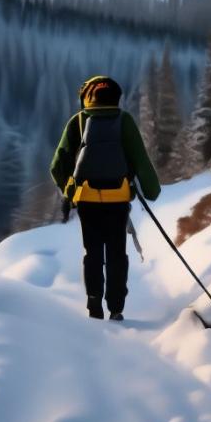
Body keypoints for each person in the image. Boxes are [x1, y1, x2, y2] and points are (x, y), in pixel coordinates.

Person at [50, 75, 161, 320]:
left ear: (86, 98)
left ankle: (94, 305)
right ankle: (116, 307)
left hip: (88, 201)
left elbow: (57, 166)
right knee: (116, 254)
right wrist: (151, 190)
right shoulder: (124, 121)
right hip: (118, 201)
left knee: (93, 253)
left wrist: (70, 191)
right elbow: (140, 159)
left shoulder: (78, 121)